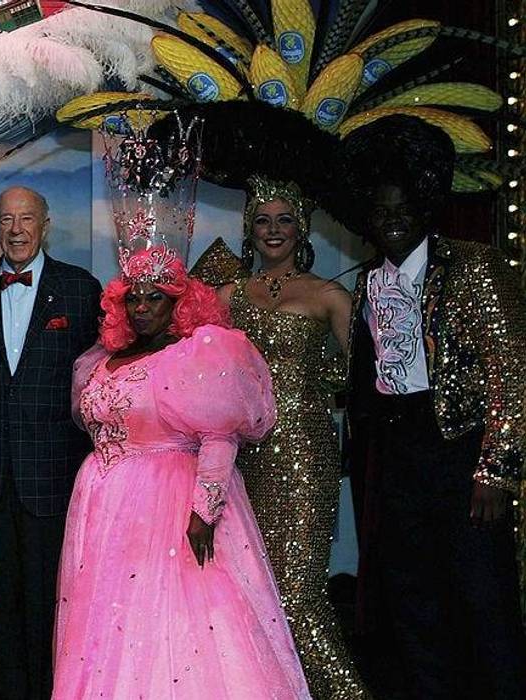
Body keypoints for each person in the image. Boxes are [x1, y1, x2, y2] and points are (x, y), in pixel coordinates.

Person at [54, 249, 310, 698]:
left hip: (167, 498)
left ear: (179, 302)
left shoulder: (195, 352)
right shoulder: (103, 358)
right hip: (101, 502)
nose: (142, 308)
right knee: (109, 620)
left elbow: (220, 436)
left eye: (155, 298)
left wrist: (204, 512)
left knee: (175, 616)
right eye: (134, 299)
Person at [339, 115, 526, 699]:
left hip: (459, 447)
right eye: (380, 212)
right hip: (395, 452)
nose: (391, 222)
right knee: (412, 603)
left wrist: (495, 469)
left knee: (483, 600)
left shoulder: (474, 266)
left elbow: (512, 373)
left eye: (401, 210)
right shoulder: (369, 282)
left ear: (424, 206)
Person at [215, 175, 364, 698]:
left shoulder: (329, 295)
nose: (272, 230)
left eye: (283, 220)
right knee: (249, 588)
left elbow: (365, 381)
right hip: (238, 459)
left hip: (304, 454)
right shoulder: (228, 297)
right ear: (248, 230)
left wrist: (316, 380)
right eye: (262, 220)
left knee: (299, 593)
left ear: (301, 229)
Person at [0, 186, 100, 699]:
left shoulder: (82, 290)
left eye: (27, 218)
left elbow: (101, 380)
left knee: (54, 600)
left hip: (55, 473)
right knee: (1, 603)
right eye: (7, 220)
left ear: (45, 224)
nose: (17, 229)